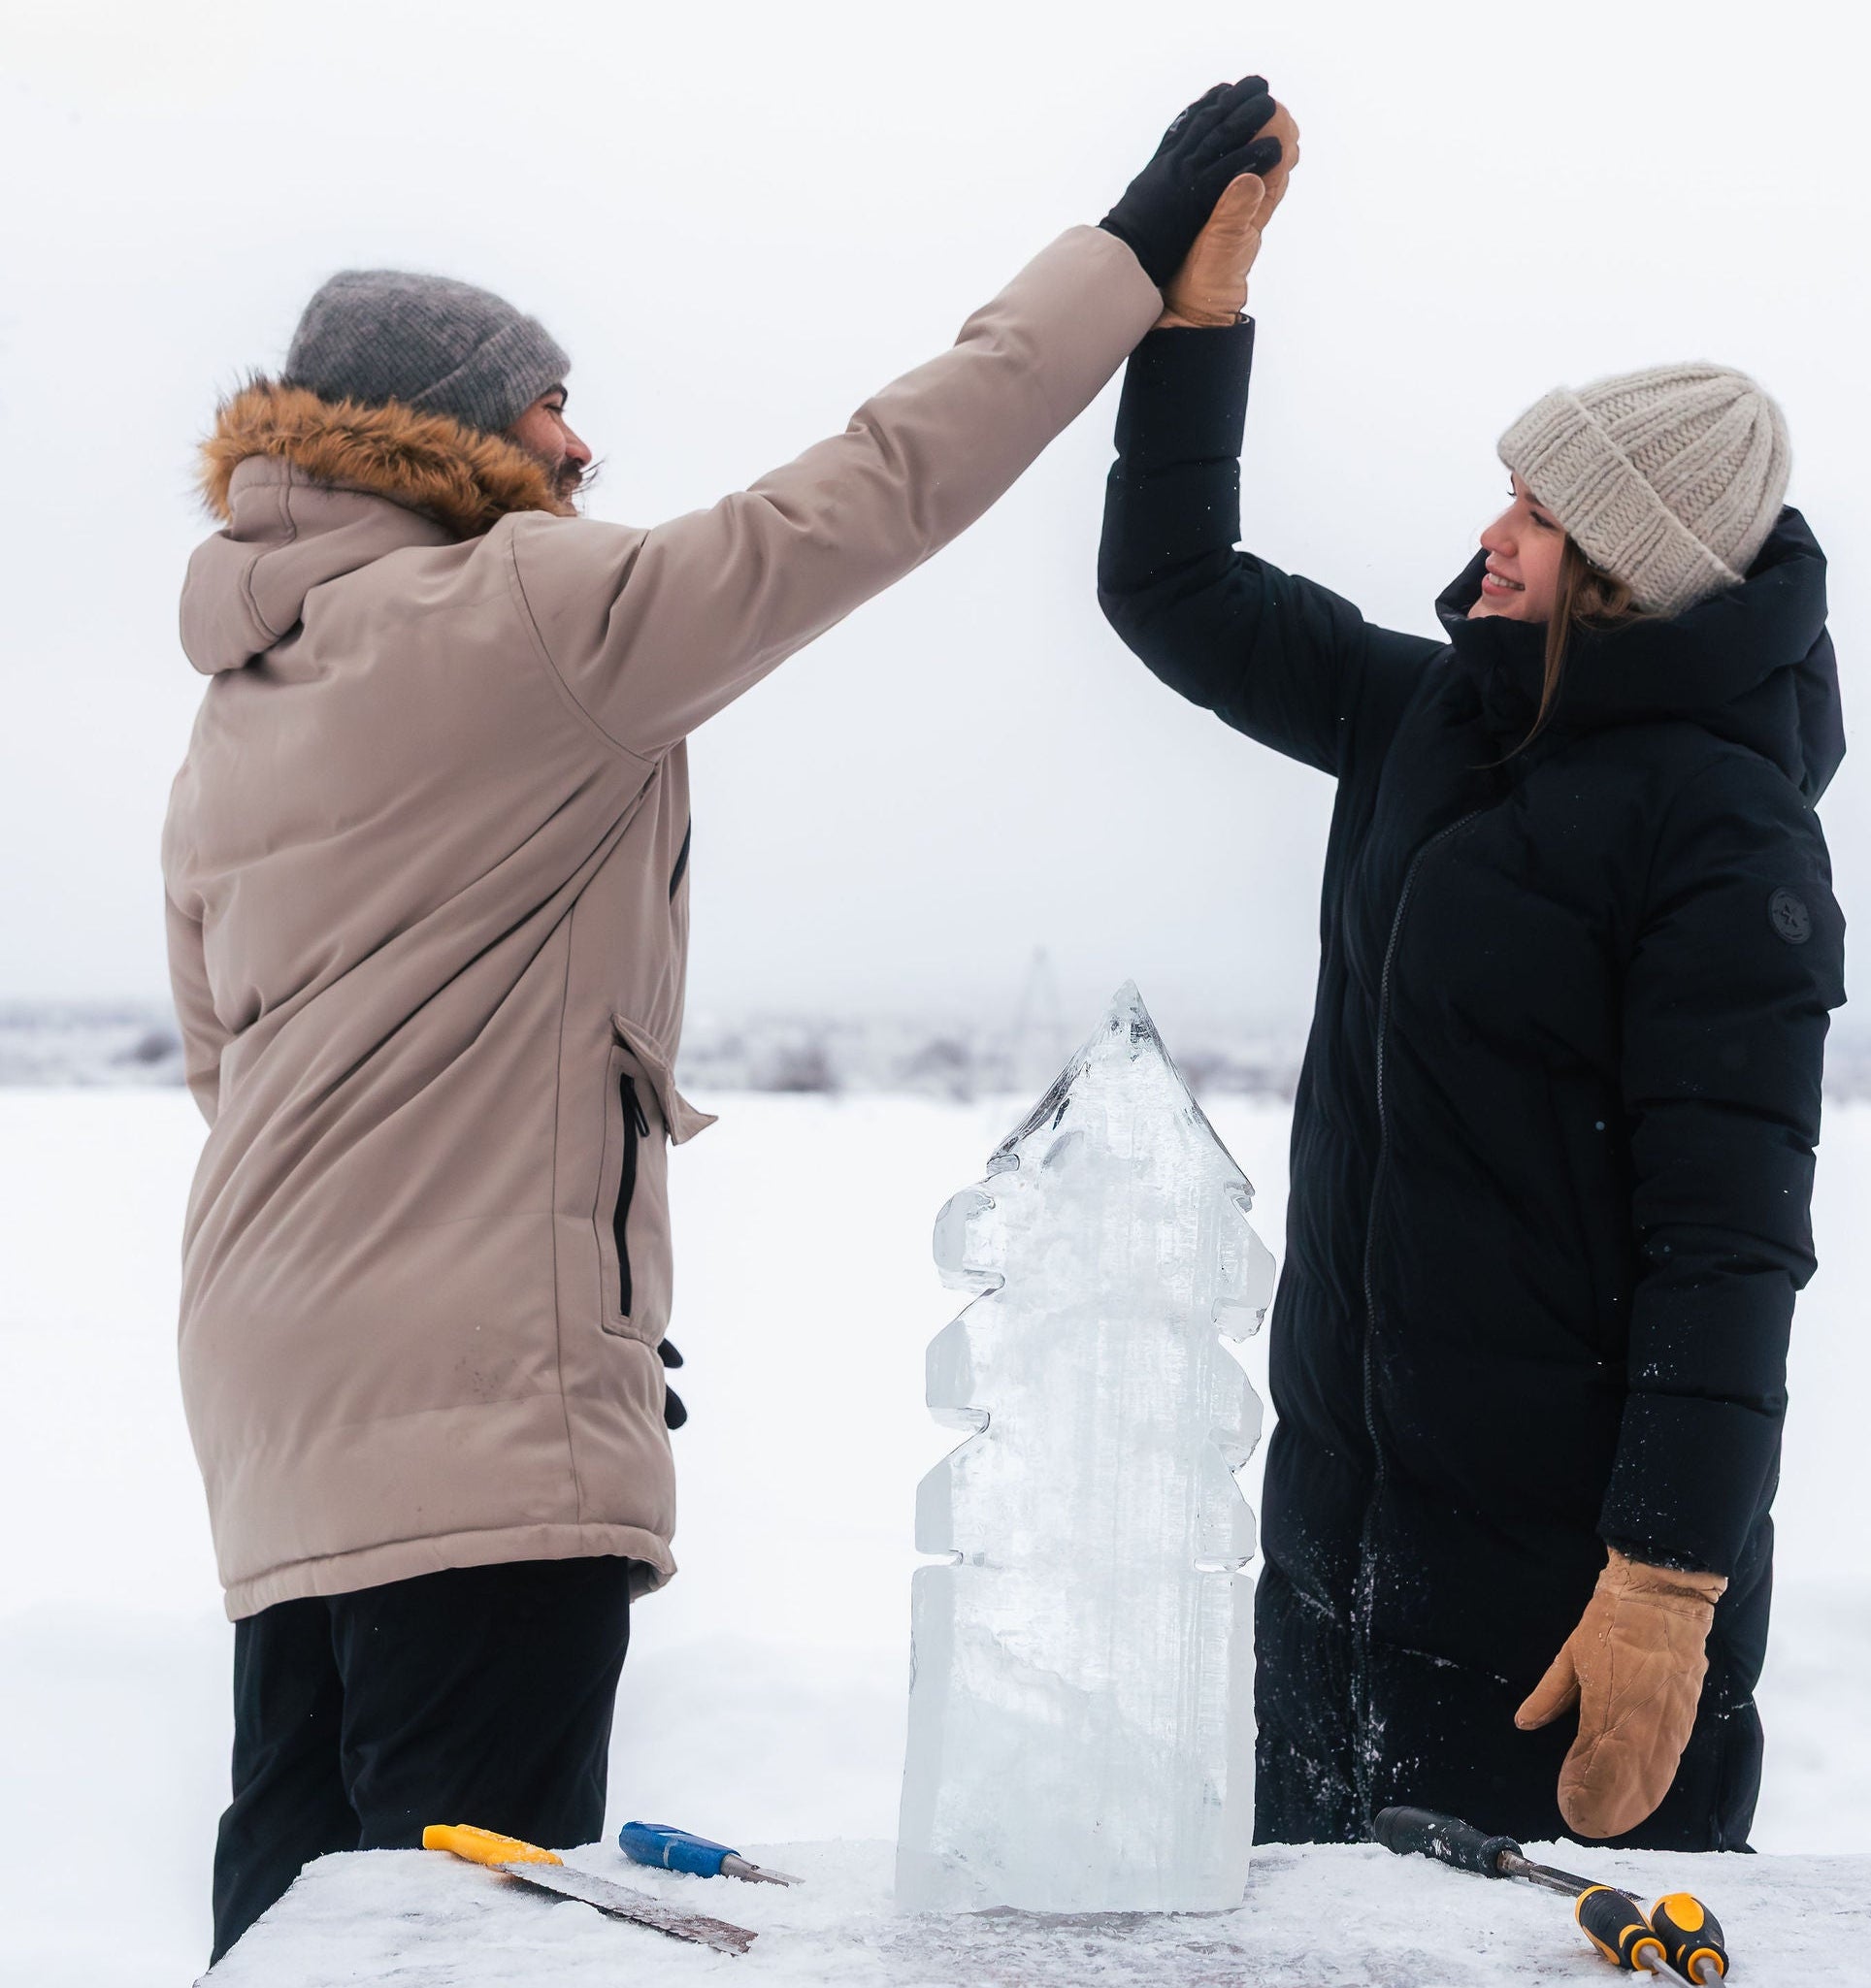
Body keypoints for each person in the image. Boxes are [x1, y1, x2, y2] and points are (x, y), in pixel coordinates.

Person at [168, 80, 1291, 1961]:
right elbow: (870, 486)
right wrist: (1124, 261)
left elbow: (233, 1056)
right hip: (470, 1399)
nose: (581, 438)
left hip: (273, 1367)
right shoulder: (528, 614)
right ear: (444, 433)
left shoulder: (243, 687)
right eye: (546, 400)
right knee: (475, 1917)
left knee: (304, 1883)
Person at [1098, 183, 1845, 1851]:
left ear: (1632, 565)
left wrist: (1667, 1581)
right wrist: (1196, 330)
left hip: (1561, 1619)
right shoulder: (1426, 715)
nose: (1492, 533)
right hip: (1342, 1573)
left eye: (1538, 510)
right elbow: (1173, 588)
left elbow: (1730, 1241)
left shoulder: (1725, 830)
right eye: (1506, 491)